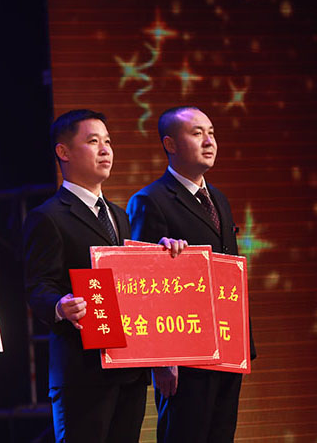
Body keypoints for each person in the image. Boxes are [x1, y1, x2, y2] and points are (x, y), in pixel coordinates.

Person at [23, 109, 186, 443]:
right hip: (82, 372)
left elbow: (132, 282)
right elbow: (38, 285)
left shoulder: (119, 215)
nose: (105, 150)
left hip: (128, 370)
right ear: (63, 152)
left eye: (108, 142)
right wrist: (59, 305)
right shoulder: (48, 216)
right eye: (93, 141)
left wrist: (160, 255)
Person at [126, 106, 257, 443]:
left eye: (211, 133)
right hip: (185, 350)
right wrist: (162, 358)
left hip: (227, 344)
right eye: (197, 134)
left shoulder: (219, 199)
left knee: (221, 434)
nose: (209, 141)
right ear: (170, 144)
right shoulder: (150, 200)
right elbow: (142, 285)